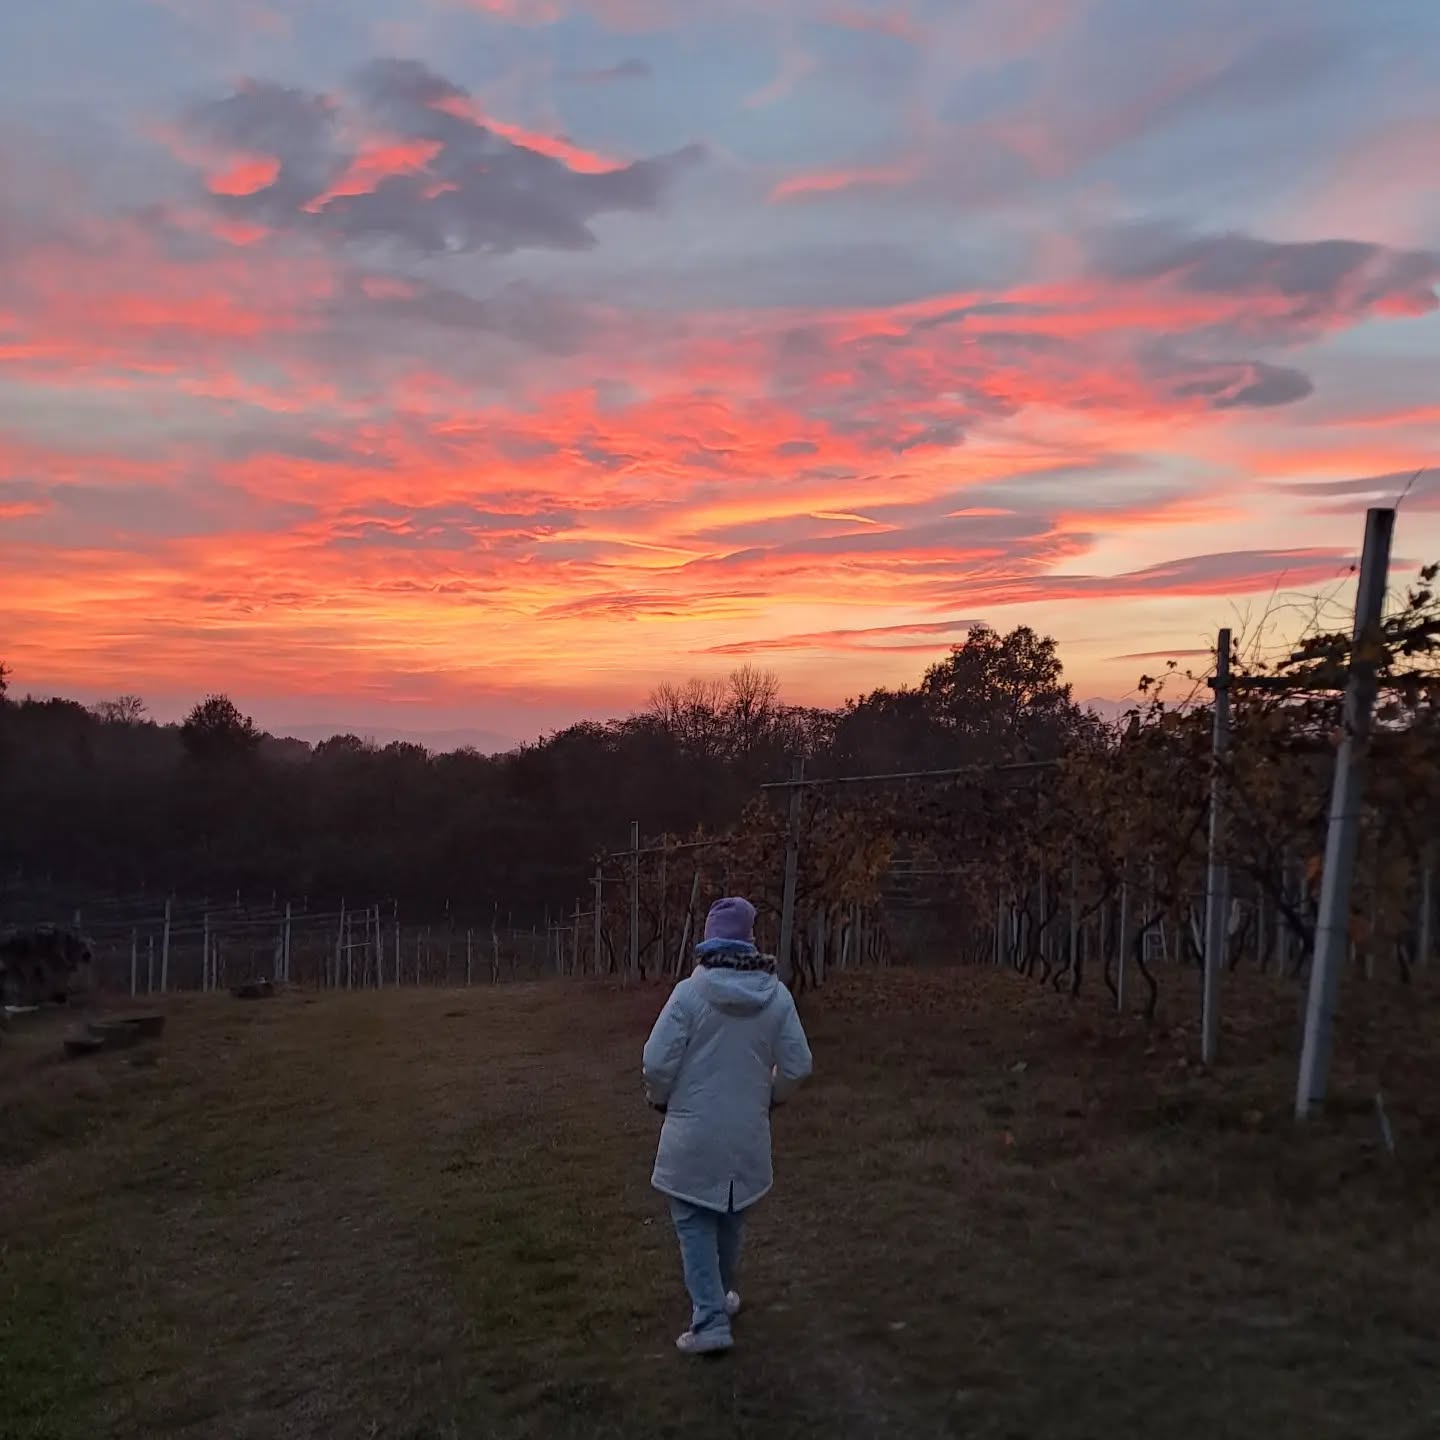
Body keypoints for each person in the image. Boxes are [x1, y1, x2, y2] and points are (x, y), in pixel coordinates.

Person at [642, 896, 813, 1355]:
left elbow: (656, 1062)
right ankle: (720, 1297)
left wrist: (659, 1099)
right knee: (731, 1218)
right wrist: (771, 1098)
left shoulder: (687, 994)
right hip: (747, 1136)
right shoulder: (777, 997)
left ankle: (710, 1320)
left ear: (706, 942)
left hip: (692, 1136)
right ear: (751, 942)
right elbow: (798, 1065)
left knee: (695, 1222)